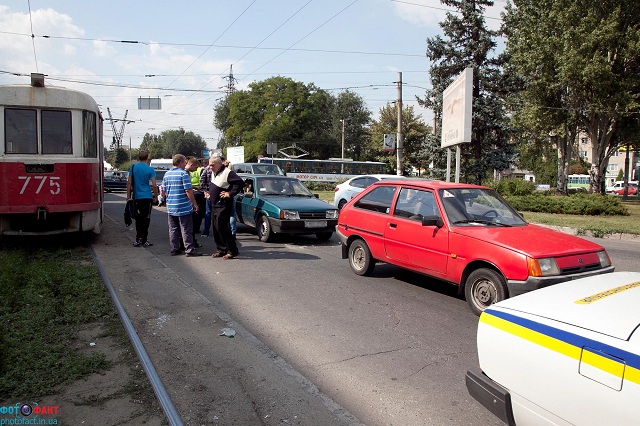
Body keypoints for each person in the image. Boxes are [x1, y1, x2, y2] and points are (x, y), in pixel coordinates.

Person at [162, 154, 202, 257]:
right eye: (184, 162)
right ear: (180, 163)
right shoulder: (183, 174)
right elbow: (188, 190)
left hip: (171, 207)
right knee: (186, 228)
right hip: (183, 206)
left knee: (173, 229)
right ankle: (189, 249)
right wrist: (194, 203)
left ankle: (175, 249)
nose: (185, 164)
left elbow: (163, 191)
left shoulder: (166, 174)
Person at [208, 157, 244, 259]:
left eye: (212, 165)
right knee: (215, 228)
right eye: (209, 165)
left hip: (223, 204)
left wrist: (230, 193)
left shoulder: (228, 172)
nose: (210, 167)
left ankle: (232, 250)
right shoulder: (214, 172)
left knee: (222, 228)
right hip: (215, 204)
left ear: (219, 164)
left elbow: (240, 183)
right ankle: (221, 249)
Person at [126, 150, 158, 247]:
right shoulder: (150, 169)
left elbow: (129, 183)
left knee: (138, 218)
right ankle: (144, 239)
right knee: (146, 218)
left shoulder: (133, 168)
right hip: (147, 196)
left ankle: (138, 238)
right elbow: (154, 185)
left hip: (137, 197)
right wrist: (156, 196)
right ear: (147, 158)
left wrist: (128, 196)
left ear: (138, 158)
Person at [185, 157, 205, 247]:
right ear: (191, 165)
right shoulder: (185, 173)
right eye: (196, 168)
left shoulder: (186, 172)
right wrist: (194, 204)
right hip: (189, 200)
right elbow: (188, 190)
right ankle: (191, 243)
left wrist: (194, 187)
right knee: (190, 223)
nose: (196, 170)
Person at [199, 157, 216, 238]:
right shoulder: (222, 169)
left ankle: (206, 231)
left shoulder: (206, 169)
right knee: (218, 213)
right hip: (219, 194)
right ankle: (219, 231)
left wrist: (205, 191)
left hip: (209, 193)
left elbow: (201, 181)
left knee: (208, 213)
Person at [223, 159, 238, 238]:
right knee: (232, 214)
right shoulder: (232, 174)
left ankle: (226, 231)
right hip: (231, 195)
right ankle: (233, 231)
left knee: (225, 214)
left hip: (223, 195)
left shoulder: (223, 174)